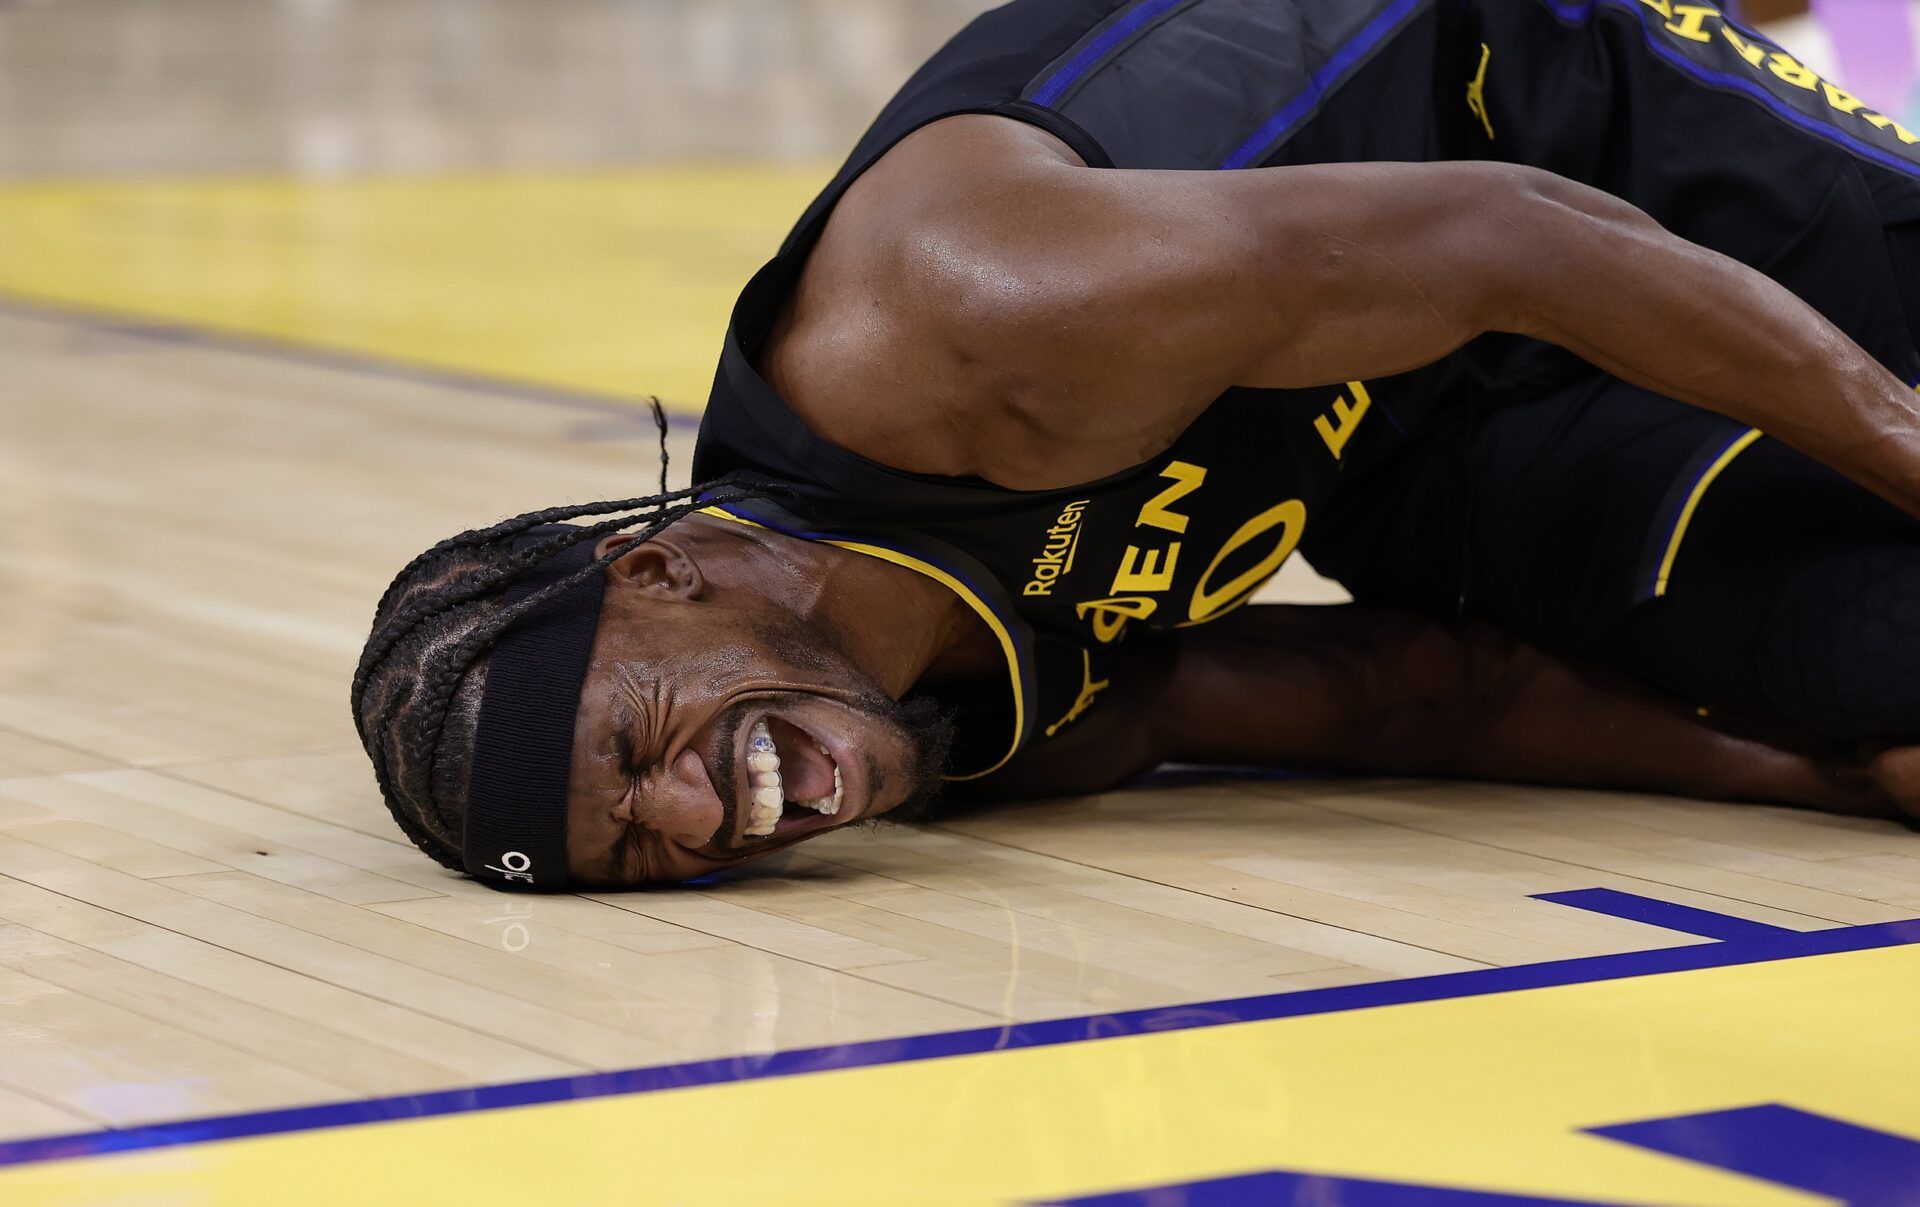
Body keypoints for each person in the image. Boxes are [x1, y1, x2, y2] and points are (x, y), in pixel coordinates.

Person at [356, 0, 1920, 890]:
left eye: (635, 750)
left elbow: (1506, 239)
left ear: (662, 572)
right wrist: (1836, 774)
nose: (701, 818)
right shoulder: (943, 737)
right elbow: (1405, 693)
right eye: (640, 855)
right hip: (1416, 440)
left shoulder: (947, 336)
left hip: (1500, 118)